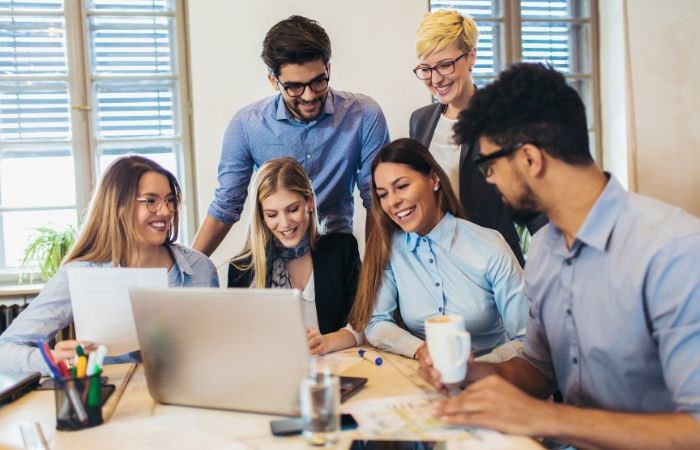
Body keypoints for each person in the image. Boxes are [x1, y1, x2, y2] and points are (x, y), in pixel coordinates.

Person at [419, 63, 700, 449]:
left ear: (530, 159)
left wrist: (543, 416)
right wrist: (470, 374)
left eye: (489, 166)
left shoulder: (673, 252)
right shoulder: (545, 252)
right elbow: (538, 369)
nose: (489, 180)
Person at [0, 155, 219, 375]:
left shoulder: (200, 268)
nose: (165, 211)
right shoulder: (80, 274)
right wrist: (58, 360)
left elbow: (216, 350)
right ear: (118, 207)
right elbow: (5, 350)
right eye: (151, 201)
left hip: (186, 398)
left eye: (169, 200)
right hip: (117, 401)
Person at [193, 15, 390, 256]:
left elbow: (377, 201)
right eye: (295, 87)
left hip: (336, 256)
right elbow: (226, 205)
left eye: (318, 82)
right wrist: (187, 271)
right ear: (273, 81)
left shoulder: (364, 115)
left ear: (328, 68)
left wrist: (375, 276)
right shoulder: (246, 125)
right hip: (272, 256)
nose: (308, 96)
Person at [348, 138, 527, 362]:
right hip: (427, 378)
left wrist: (472, 369)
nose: (392, 202)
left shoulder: (489, 245)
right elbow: (377, 323)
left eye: (402, 186)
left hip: (492, 380)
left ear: (433, 179)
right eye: (383, 194)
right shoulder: (392, 249)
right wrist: (421, 349)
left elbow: (525, 339)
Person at [409, 10, 545, 266]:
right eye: (426, 69)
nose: (436, 78)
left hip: (494, 267)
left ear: (471, 56)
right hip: (438, 265)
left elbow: (535, 202)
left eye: (445, 65)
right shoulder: (420, 121)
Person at [228, 158, 361, 356]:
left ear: (309, 202)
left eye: (292, 209)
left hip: (335, 373)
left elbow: (364, 323)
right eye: (272, 214)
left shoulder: (342, 250)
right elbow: (238, 342)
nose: (285, 223)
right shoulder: (242, 270)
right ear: (261, 217)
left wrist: (326, 342)